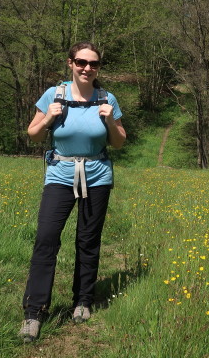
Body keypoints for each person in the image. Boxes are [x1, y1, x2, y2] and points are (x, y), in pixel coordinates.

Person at [19, 41, 126, 343]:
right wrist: (49, 117)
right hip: (60, 175)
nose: (87, 68)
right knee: (46, 239)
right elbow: (33, 134)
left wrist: (108, 119)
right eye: (81, 62)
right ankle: (34, 311)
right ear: (70, 63)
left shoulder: (107, 98)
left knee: (88, 239)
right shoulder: (55, 94)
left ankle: (83, 301)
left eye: (93, 64)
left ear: (98, 68)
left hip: (97, 175)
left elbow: (118, 142)